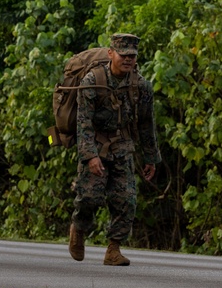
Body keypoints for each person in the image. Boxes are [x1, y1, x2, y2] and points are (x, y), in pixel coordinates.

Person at [69, 33, 161, 266]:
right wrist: (90, 156)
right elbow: (83, 122)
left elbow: (146, 124)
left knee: (126, 200)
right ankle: (78, 229)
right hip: (96, 145)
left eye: (132, 56)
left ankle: (113, 249)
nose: (128, 59)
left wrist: (150, 157)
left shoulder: (141, 86)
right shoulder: (92, 81)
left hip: (123, 147)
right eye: (123, 55)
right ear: (111, 53)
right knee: (90, 197)